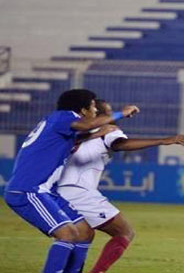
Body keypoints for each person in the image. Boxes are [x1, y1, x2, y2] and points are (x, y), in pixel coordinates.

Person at [3, 89, 139, 273]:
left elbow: (79, 136)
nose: (95, 110)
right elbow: (84, 127)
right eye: (93, 106)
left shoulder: (58, 122)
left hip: (45, 191)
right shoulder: (63, 117)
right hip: (28, 191)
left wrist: (100, 133)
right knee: (66, 234)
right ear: (83, 110)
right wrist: (119, 114)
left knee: (84, 232)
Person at [56, 100, 184, 273]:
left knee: (82, 235)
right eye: (107, 111)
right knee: (124, 233)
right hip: (79, 191)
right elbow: (120, 144)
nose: (113, 116)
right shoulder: (108, 130)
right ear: (97, 115)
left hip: (56, 190)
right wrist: (163, 141)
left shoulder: (72, 132)